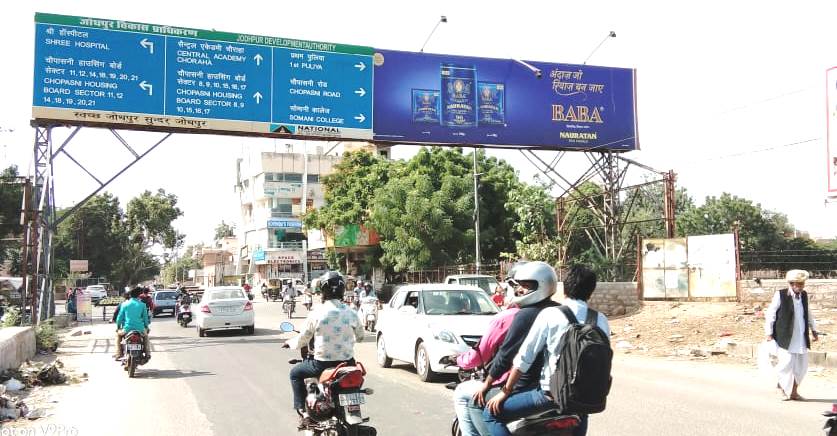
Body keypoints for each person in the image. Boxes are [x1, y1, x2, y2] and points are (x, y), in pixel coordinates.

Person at [483, 264, 610, 436]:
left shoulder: (551, 314)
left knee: (490, 414)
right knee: (581, 413)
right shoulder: (600, 319)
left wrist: (505, 392)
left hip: (549, 396)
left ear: (565, 287)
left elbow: (523, 359)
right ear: (591, 291)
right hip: (585, 397)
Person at [470, 262, 560, 431]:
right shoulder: (560, 310)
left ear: (542, 286)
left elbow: (505, 357)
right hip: (562, 387)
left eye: (526, 286)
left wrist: (487, 384)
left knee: (476, 404)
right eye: (520, 285)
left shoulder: (524, 315)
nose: (519, 290)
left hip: (529, 386)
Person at [283, 271, 364, 428]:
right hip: (347, 363)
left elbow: (304, 338)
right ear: (342, 290)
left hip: (322, 364)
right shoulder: (351, 312)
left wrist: (290, 343)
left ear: (323, 291)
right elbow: (360, 337)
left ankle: (304, 414)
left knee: (295, 374)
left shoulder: (317, 312)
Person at [450, 301, 520, 436]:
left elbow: (480, 354)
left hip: (512, 385)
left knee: (463, 393)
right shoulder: (550, 312)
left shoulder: (506, 318)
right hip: (545, 388)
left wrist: (458, 360)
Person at [765, 269, 819, 401]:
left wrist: (814, 329)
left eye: (802, 284)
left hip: (801, 337)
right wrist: (769, 333)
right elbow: (771, 313)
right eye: (798, 284)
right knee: (786, 365)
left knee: (801, 367)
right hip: (786, 337)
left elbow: (808, 313)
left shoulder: (803, 295)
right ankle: (781, 388)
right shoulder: (781, 295)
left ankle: (794, 392)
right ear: (791, 283)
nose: (801, 286)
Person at [114, 287, 152, 360]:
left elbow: (119, 318)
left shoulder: (124, 304)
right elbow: (145, 318)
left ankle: (118, 354)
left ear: (130, 295)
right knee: (146, 337)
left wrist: (118, 327)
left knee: (118, 336)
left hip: (127, 329)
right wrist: (147, 327)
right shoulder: (142, 305)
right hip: (140, 329)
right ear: (138, 295)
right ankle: (147, 353)